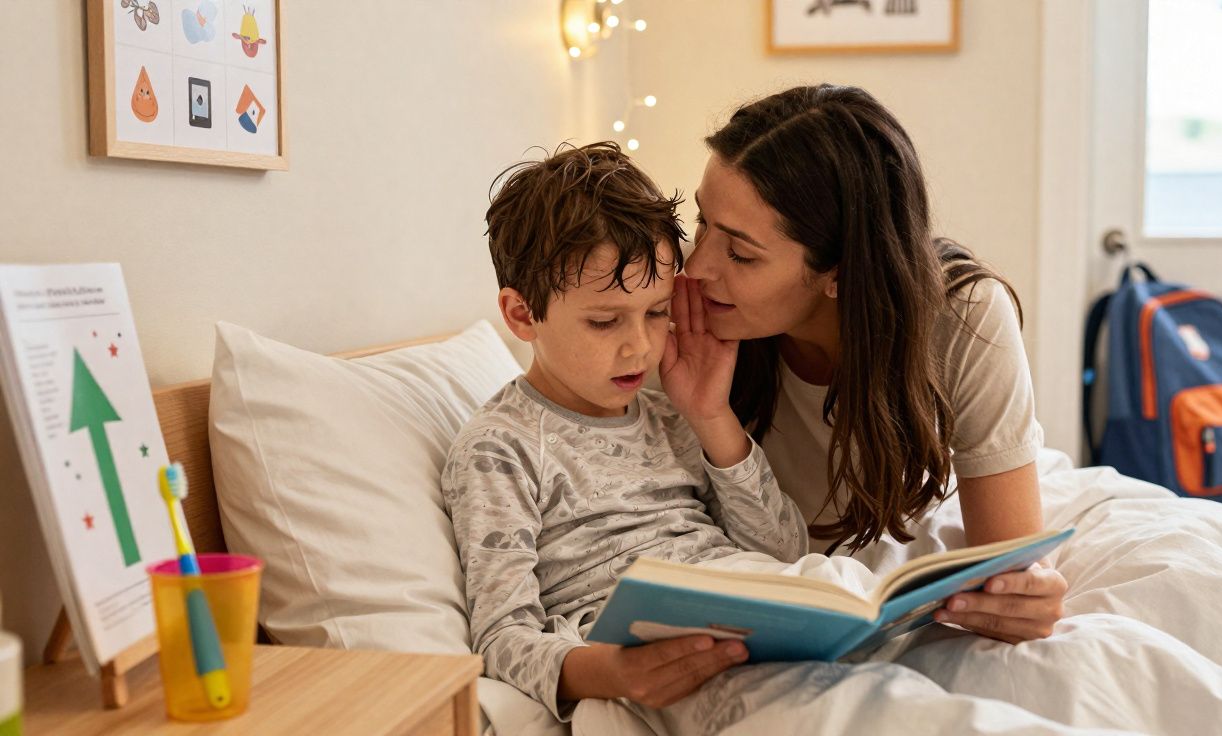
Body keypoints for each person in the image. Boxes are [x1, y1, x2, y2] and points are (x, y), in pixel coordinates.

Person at [670, 83, 1069, 644]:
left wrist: (1023, 600)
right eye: (701, 220)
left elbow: (1007, 566)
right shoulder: (683, 314)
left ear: (840, 271)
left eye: (740, 252)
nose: (697, 264)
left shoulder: (963, 318)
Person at [440, 141, 820, 720]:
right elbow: (501, 635)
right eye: (603, 321)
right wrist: (611, 673)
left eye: (657, 311)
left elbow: (784, 550)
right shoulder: (501, 449)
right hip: (649, 647)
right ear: (521, 315)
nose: (640, 346)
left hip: (749, 600)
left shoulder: (671, 415)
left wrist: (712, 417)